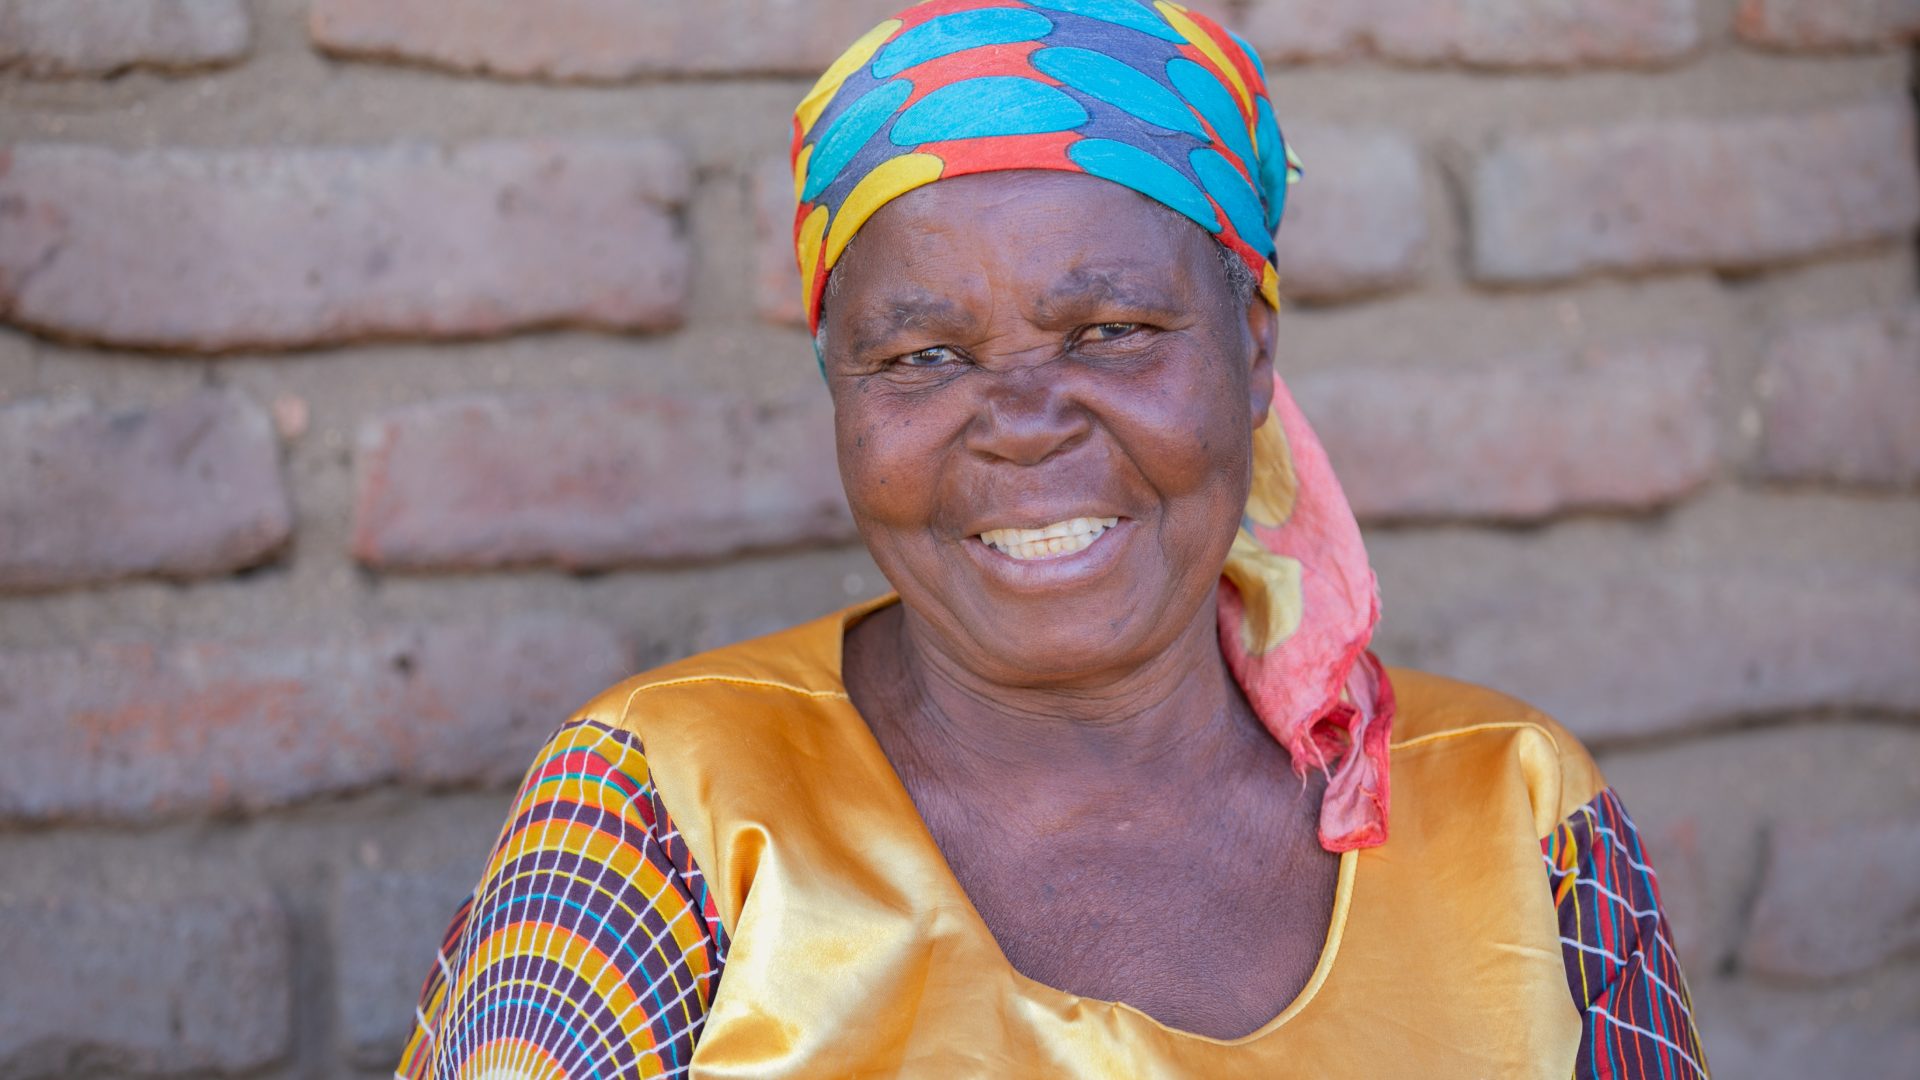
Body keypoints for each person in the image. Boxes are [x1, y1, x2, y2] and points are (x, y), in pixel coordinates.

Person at [396, 2, 1707, 1076]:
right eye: (921, 356)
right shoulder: (662, 811)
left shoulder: (1518, 815)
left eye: (1113, 334)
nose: (1022, 424)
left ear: (1253, 352)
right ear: (841, 399)